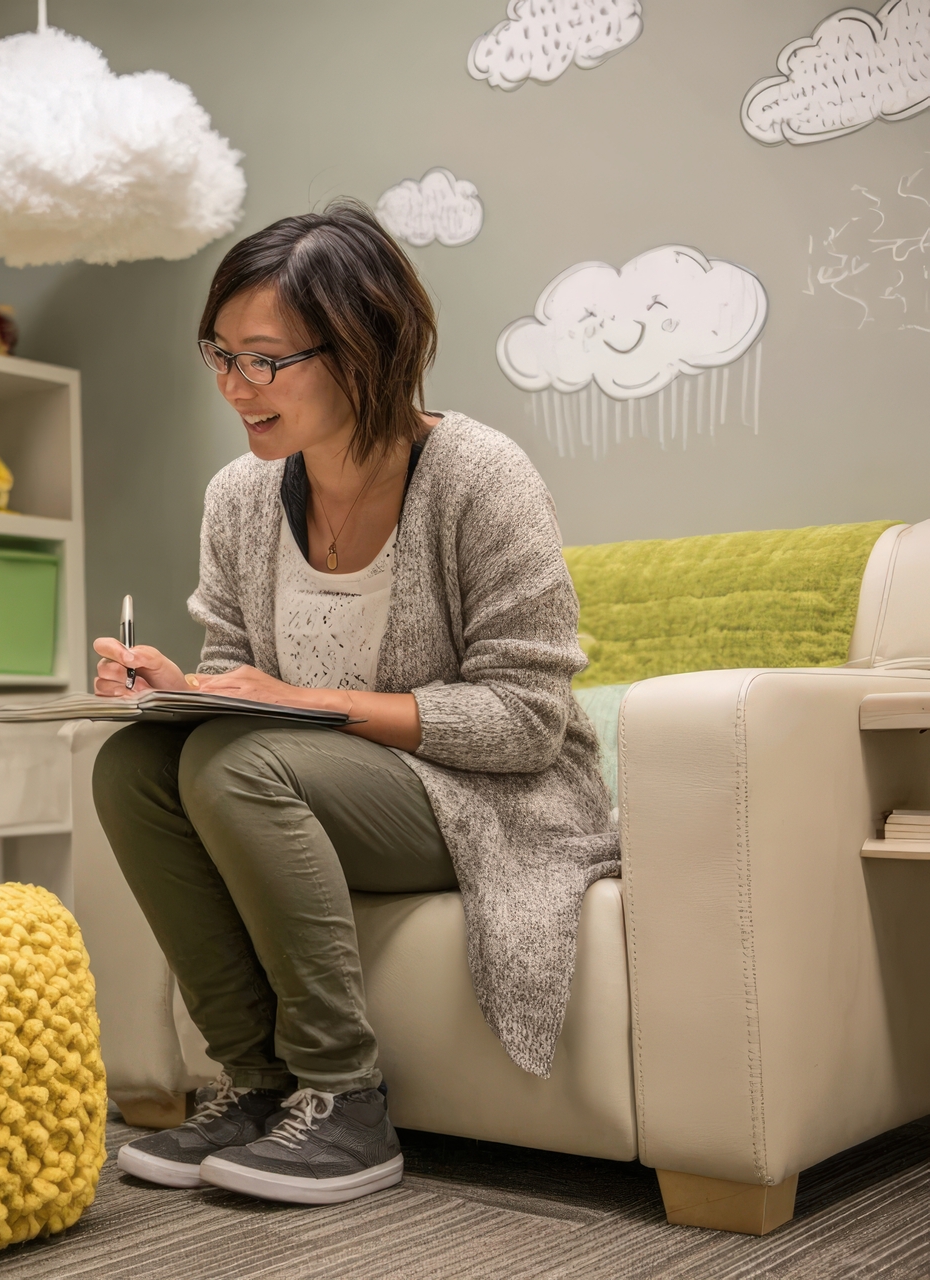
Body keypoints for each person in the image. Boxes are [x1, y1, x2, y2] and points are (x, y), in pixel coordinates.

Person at [95, 202, 617, 1206]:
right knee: (132, 767)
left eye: (264, 359)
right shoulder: (239, 498)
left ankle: (346, 1099)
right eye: (219, 353)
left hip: (491, 799)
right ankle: (253, 1082)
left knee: (236, 762)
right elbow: (238, 671)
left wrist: (295, 702)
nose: (233, 386)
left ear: (365, 349)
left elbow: (525, 721)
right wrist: (184, 688)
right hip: (328, 782)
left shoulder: (479, 475)